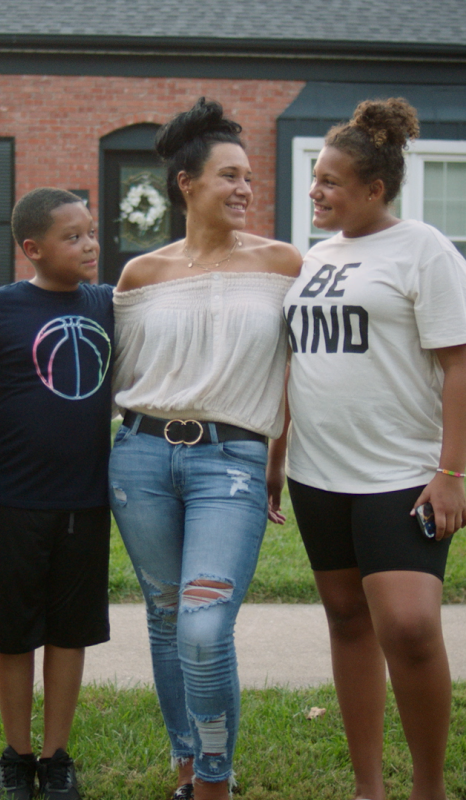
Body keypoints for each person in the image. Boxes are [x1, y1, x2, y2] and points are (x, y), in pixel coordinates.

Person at [109, 97, 302, 800]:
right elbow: (120, 378)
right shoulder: (141, 276)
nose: (245, 188)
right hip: (140, 458)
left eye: (248, 176)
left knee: (203, 622)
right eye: (228, 176)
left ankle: (214, 781)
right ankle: (185, 761)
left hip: (232, 463)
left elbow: (300, 372)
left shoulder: (285, 266)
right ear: (186, 184)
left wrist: (276, 464)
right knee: (165, 618)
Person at [283, 97, 466, 800]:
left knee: (413, 628)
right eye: (315, 178)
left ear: (374, 189)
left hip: (403, 474)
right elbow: (297, 362)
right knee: (348, 620)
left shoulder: (425, 249)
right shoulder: (312, 259)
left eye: (329, 180)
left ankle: (427, 788)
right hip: (319, 473)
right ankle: (369, 787)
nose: (316, 191)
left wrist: (451, 473)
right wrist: (278, 457)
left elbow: (458, 365)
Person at [0, 188, 113, 800]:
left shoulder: (105, 304)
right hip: (13, 500)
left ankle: (57, 756)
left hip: (86, 501)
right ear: (33, 249)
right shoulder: (1, 308)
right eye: (73, 237)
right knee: (14, 632)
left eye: (91, 231)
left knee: (70, 632)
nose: (90, 244)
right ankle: (17, 756)